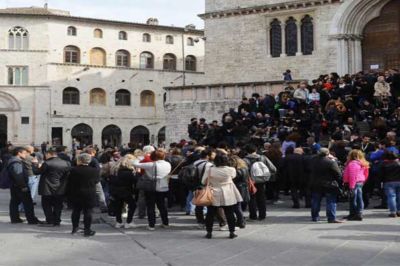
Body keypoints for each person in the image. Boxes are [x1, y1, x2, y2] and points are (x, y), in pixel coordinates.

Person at [202, 153, 243, 239]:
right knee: (230, 213)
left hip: (213, 192)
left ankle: (209, 232)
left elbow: (203, 181)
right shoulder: (231, 169)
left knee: (210, 214)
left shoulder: (210, 170)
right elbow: (233, 177)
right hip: (228, 192)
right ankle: (232, 232)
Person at [133, 149, 171, 231]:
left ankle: (151, 225)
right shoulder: (168, 164)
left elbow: (135, 164)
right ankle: (165, 223)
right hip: (164, 186)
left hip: (151, 187)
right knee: (162, 206)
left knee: (151, 206)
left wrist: (140, 157)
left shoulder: (151, 164)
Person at [7, 147, 42, 224]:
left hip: (15, 185)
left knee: (14, 202)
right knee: (28, 203)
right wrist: (23, 186)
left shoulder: (13, 160)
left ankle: (15, 218)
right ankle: (31, 219)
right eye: (24, 153)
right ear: (19, 153)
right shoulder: (16, 162)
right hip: (20, 186)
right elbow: (18, 176)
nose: (26, 155)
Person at [67, 153, 100, 237]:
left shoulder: (72, 169)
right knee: (88, 211)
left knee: (76, 210)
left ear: (79, 160)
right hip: (89, 192)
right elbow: (96, 181)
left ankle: (75, 228)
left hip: (75, 192)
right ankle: (87, 230)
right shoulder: (94, 170)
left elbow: (69, 181)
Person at [37, 148, 71, 226]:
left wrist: (35, 165)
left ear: (49, 154)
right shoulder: (66, 163)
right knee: (58, 205)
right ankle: (57, 220)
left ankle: (50, 220)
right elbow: (67, 175)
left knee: (46, 205)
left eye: (46, 154)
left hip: (47, 187)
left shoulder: (47, 163)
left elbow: (38, 172)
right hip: (60, 187)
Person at [309, 148, 343, 223]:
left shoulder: (312, 161)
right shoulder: (331, 162)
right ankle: (331, 218)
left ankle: (315, 217)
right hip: (329, 184)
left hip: (315, 183)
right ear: (328, 153)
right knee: (331, 201)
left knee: (315, 200)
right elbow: (338, 174)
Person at [244, 144, 276, 221]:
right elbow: (273, 169)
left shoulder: (244, 160)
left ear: (246, 151)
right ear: (255, 150)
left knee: (252, 198)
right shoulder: (263, 157)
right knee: (261, 197)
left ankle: (253, 216)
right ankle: (262, 215)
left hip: (250, 181)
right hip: (261, 180)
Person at [109, 155, 137, 229]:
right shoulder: (129, 172)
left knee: (118, 206)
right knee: (133, 205)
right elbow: (134, 182)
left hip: (115, 191)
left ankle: (119, 222)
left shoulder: (114, 171)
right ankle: (128, 222)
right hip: (126, 191)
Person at [343, 149, 369, 221]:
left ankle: (354, 214)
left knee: (353, 199)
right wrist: (363, 182)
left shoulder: (353, 163)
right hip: (360, 182)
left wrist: (351, 186)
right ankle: (358, 213)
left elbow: (352, 175)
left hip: (354, 183)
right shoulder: (363, 163)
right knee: (359, 198)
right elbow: (366, 174)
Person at [379, 151, 400, 217]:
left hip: (388, 181)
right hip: (398, 181)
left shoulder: (383, 164)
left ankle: (393, 212)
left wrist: (380, 182)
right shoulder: (398, 163)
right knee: (399, 197)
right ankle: (399, 211)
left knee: (391, 197)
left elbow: (380, 175)